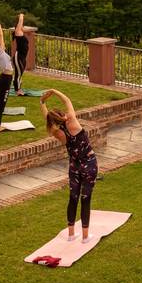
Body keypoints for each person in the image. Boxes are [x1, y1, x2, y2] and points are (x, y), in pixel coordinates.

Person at [41, 89, 99, 243]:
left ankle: (71, 234)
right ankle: (86, 237)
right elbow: (67, 100)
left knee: (73, 198)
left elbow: (46, 117)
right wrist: (53, 91)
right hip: (89, 164)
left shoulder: (57, 132)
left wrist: (42, 102)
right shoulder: (72, 120)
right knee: (85, 198)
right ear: (62, 116)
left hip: (74, 167)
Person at [12, 13, 29, 96]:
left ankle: (18, 87)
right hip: (18, 57)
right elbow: (20, 22)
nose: (23, 27)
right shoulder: (18, 33)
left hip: (22, 57)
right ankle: (17, 90)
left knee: (20, 73)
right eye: (21, 26)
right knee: (18, 73)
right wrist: (21, 16)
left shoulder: (21, 33)